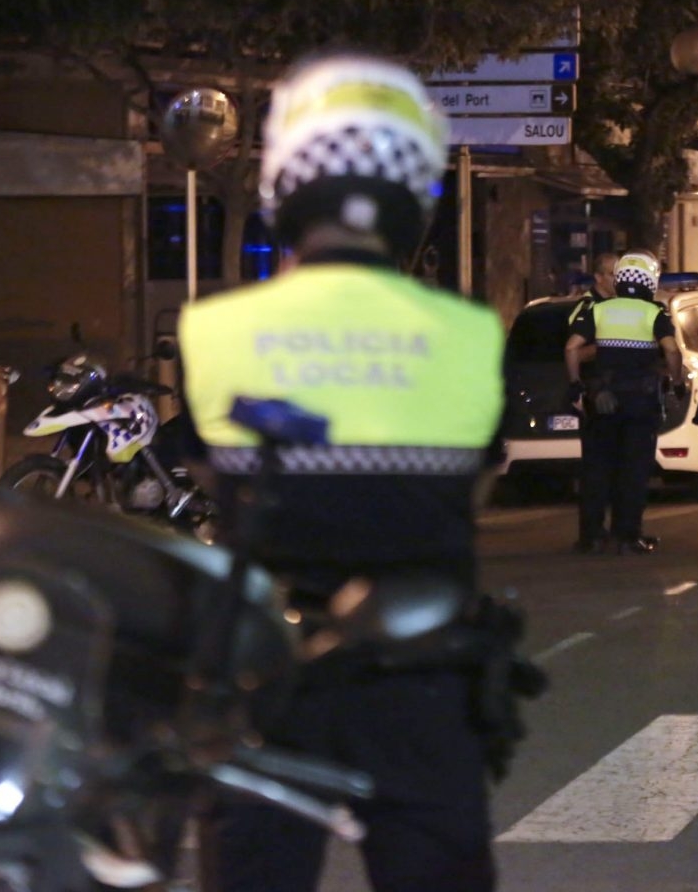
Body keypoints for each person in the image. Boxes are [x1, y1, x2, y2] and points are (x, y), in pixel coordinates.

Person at [179, 52, 507, 891]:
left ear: (286, 182)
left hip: (266, 677)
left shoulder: (214, 330)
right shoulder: (469, 335)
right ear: (413, 190)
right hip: (423, 679)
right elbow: (477, 483)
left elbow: (203, 478)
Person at [564, 250, 684, 554]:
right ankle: (628, 535)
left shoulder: (600, 310)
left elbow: (571, 348)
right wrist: (676, 379)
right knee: (634, 470)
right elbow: (671, 350)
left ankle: (591, 536)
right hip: (640, 404)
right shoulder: (653, 313)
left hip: (603, 401)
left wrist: (576, 385)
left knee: (597, 469)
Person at [568, 251, 618, 551]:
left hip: (619, 391)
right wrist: (607, 345)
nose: (619, 280)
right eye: (614, 274)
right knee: (596, 469)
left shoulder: (620, 306)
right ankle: (591, 533)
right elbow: (574, 350)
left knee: (619, 468)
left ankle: (619, 531)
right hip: (596, 392)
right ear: (599, 277)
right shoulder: (587, 307)